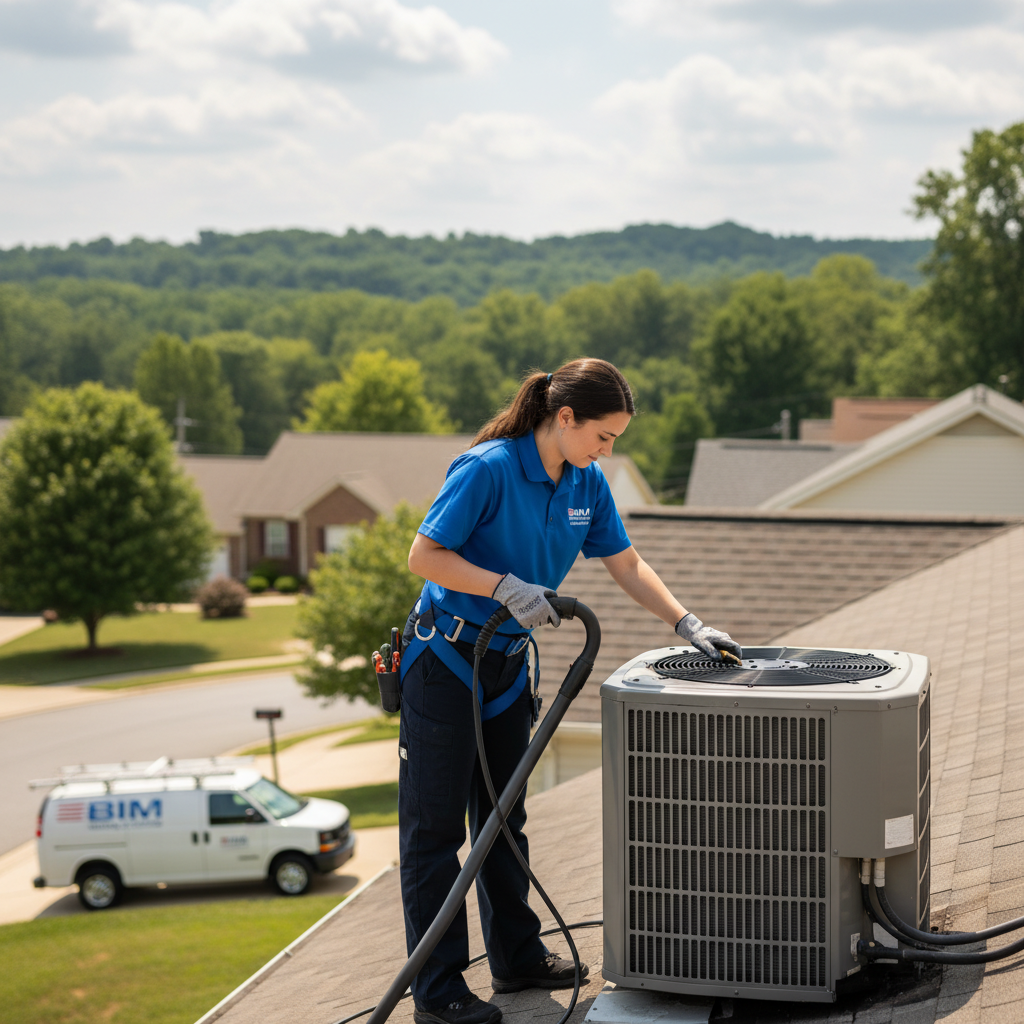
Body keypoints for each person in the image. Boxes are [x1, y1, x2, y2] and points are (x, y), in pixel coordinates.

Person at [399, 358, 742, 1024]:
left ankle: (516, 958)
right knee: (434, 835)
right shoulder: (488, 468)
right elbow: (423, 556)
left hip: (502, 669)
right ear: (564, 418)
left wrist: (686, 622)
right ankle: (437, 993)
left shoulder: (585, 484)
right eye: (604, 437)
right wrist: (501, 585)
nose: (608, 452)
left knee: (503, 822)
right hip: (443, 665)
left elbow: (626, 562)